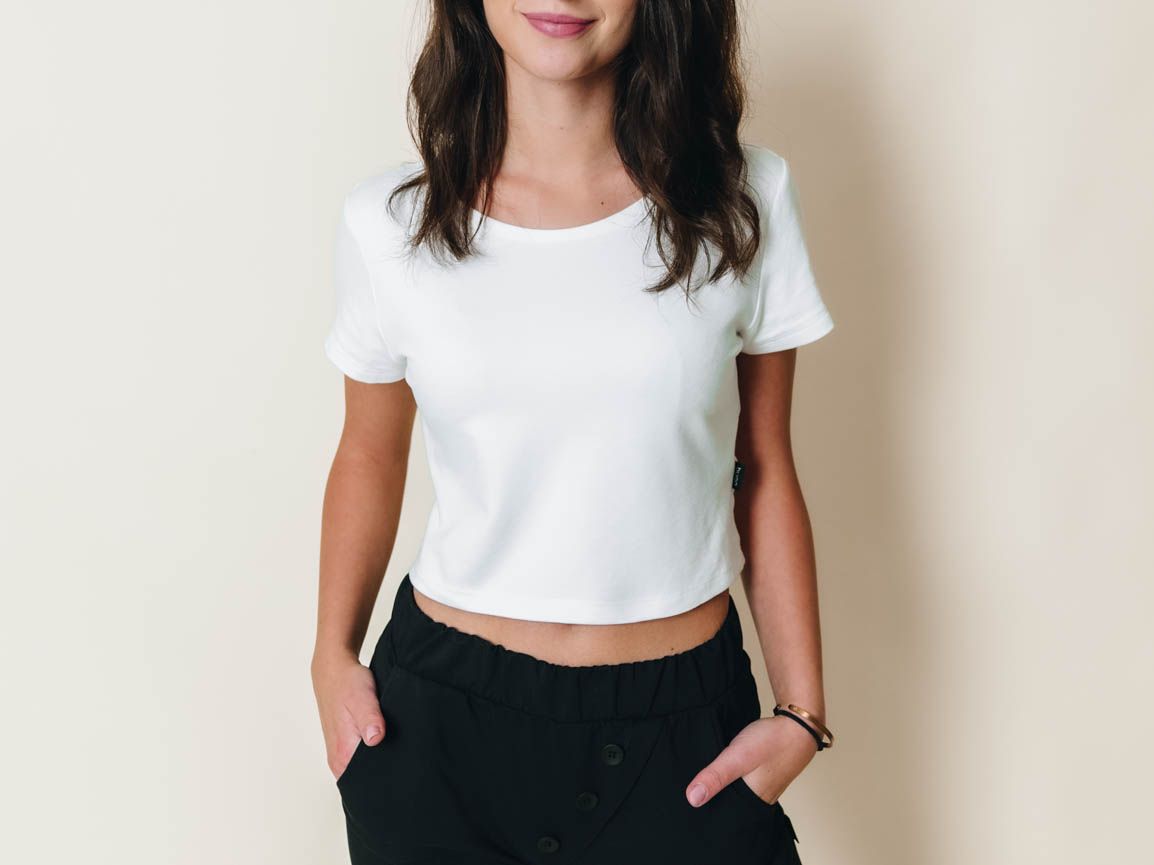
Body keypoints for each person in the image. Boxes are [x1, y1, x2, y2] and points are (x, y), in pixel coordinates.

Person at [312, 2, 836, 863]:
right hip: (439, 733)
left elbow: (766, 464)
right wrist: (330, 657)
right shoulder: (391, 223)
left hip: (684, 733)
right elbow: (368, 450)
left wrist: (802, 708)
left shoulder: (745, 200)